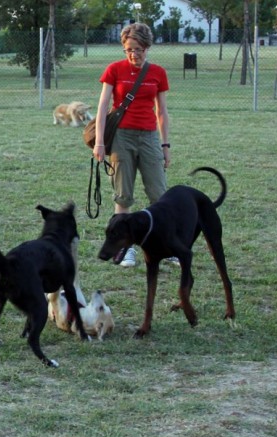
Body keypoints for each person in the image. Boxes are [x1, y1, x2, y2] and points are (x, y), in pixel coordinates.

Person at [92, 22, 174, 268]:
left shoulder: (157, 73)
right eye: (128, 49)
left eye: (138, 49)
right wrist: (99, 143)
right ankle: (124, 250)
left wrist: (165, 145)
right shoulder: (114, 70)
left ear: (147, 47)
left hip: (149, 137)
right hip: (122, 138)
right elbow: (103, 106)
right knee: (123, 196)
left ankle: (165, 246)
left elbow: (162, 112)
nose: (133, 54)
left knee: (159, 195)